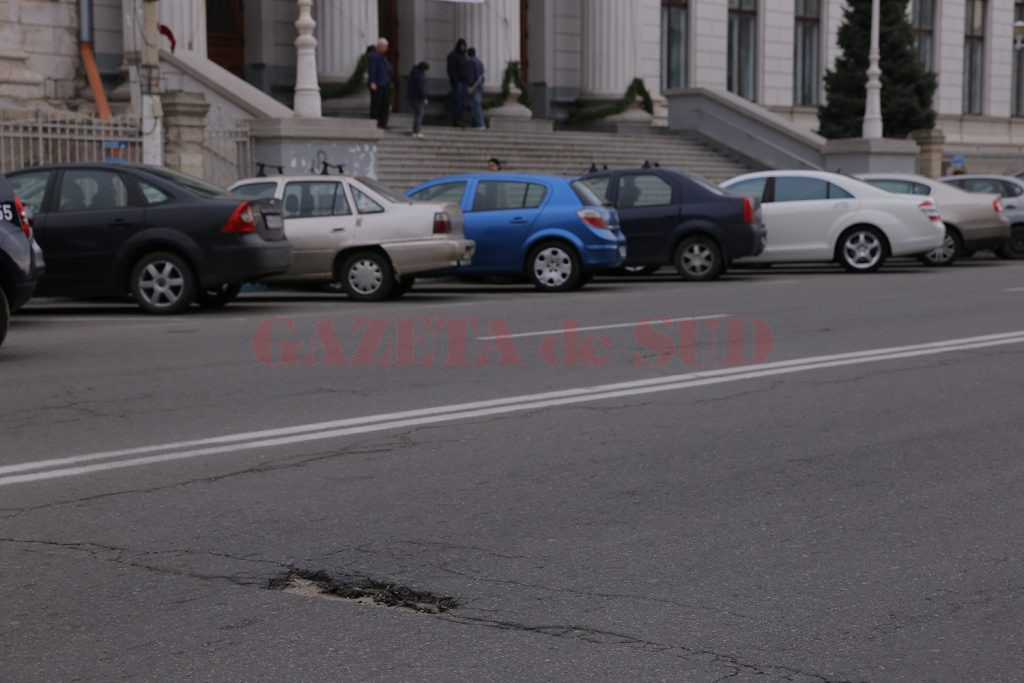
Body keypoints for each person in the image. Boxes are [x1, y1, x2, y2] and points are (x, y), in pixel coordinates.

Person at [446, 38, 472, 127]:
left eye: (464, 46)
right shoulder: (453, 56)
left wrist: (469, 82)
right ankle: (456, 119)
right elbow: (451, 70)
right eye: (461, 45)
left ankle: (460, 118)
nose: (462, 47)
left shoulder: (465, 57)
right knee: (458, 101)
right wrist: (455, 80)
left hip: (465, 83)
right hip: (458, 83)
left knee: (463, 102)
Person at [367, 37, 393, 129]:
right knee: (376, 104)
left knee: (385, 104)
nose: (386, 48)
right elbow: (372, 70)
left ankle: (383, 123)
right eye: (385, 46)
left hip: (385, 84)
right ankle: (374, 122)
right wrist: (372, 82)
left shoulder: (383, 57)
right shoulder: (374, 56)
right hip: (377, 84)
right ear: (380, 46)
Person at [407, 62, 429, 139]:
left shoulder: (413, 74)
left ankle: (415, 131)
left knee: (417, 114)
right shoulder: (420, 76)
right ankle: (417, 131)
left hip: (412, 97)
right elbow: (421, 88)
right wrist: (424, 98)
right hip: (418, 98)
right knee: (419, 114)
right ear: (424, 69)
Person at [467, 47, 486, 129]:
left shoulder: (470, 62)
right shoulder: (479, 62)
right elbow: (482, 75)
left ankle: (480, 124)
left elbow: (471, 75)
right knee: (476, 105)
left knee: (475, 105)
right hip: (480, 86)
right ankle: (475, 123)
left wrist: (470, 86)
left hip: (474, 86)